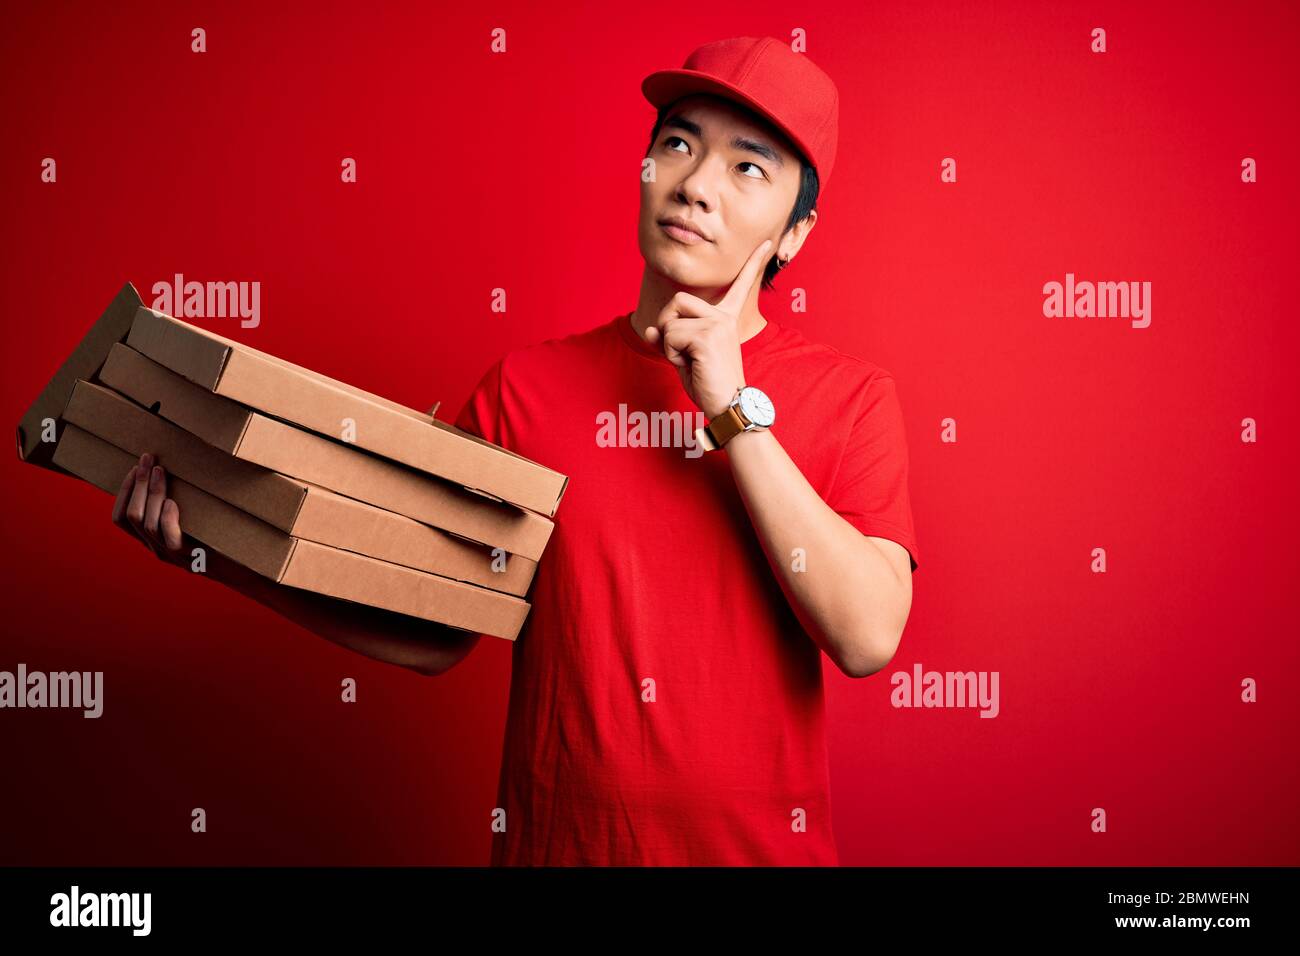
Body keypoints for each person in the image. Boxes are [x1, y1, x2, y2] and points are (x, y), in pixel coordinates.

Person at [113, 36, 920, 866]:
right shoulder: (526, 389)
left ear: (796, 233)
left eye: (748, 168)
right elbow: (435, 632)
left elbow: (865, 637)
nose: (697, 184)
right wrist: (220, 551)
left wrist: (731, 410)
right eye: (676, 143)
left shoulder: (852, 399)